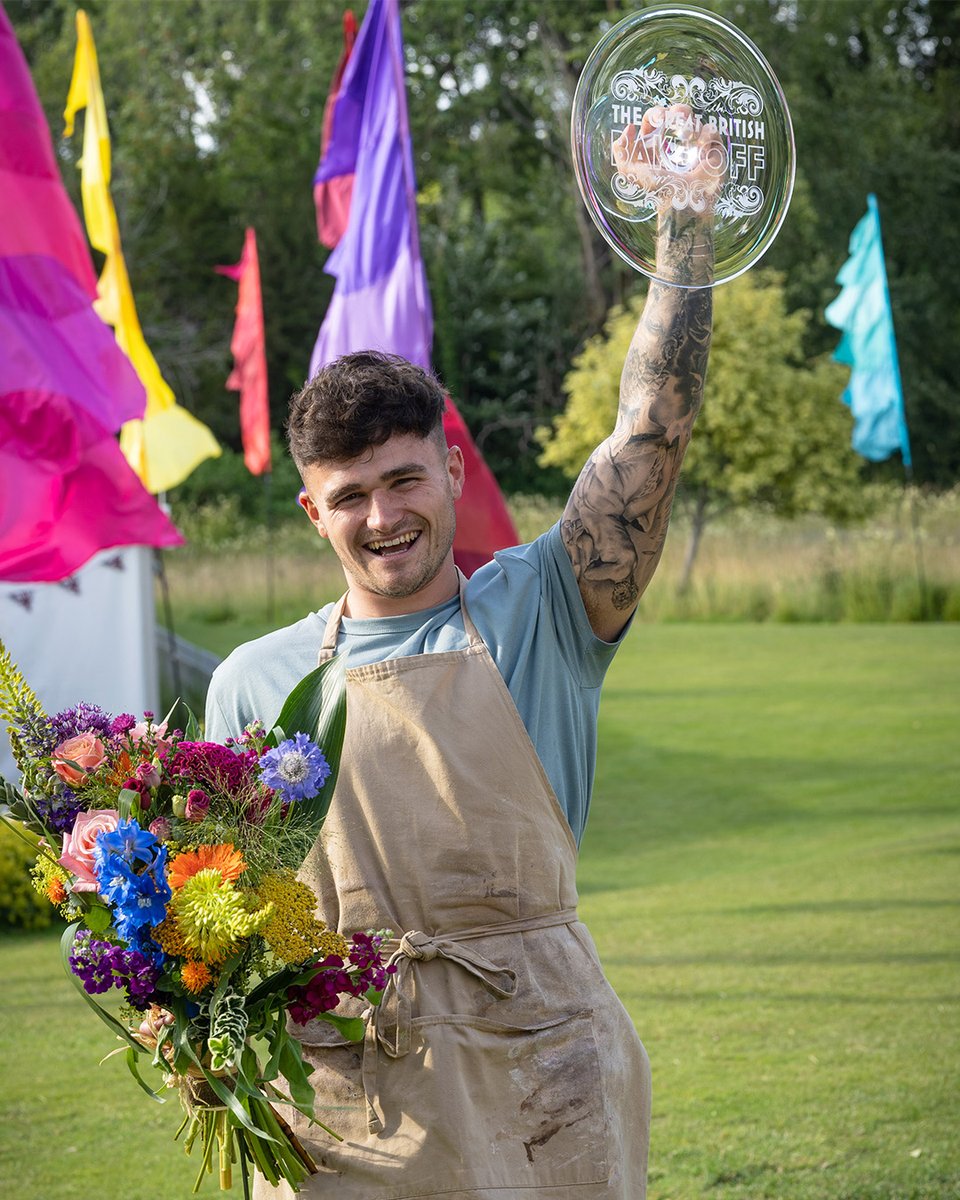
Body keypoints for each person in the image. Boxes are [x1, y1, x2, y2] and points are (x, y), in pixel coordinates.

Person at [205, 107, 718, 1200]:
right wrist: (194, 1016)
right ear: (312, 511)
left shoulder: (540, 608)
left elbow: (650, 433)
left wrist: (685, 230)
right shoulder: (252, 680)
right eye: (350, 496)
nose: (382, 516)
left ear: (448, 468)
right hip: (350, 1101)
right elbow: (225, 911)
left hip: (547, 1077)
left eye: (403, 480)